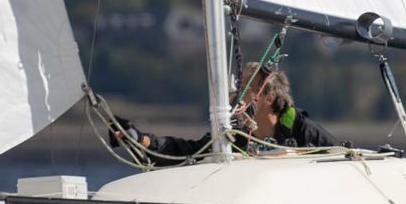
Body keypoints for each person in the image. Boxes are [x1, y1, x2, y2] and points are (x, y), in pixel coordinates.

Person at [112, 62, 338, 165]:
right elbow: (188, 152)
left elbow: (344, 159)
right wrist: (141, 140)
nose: (237, 97)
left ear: (269, 98)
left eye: (246, 89)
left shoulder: (305, 132)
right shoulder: (236, 136)